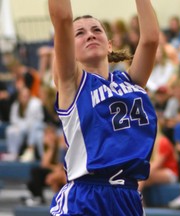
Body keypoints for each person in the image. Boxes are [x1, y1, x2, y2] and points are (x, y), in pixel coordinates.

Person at [48, 0, 159, 215]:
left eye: (96, 30)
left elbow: (151, 39)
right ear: (69, 48)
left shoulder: (131, 81)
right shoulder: (73, 83)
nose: (90, 35)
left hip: (128, 195)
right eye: (79, 33)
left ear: (109, 45)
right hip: (86, 195)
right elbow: (61, 19)